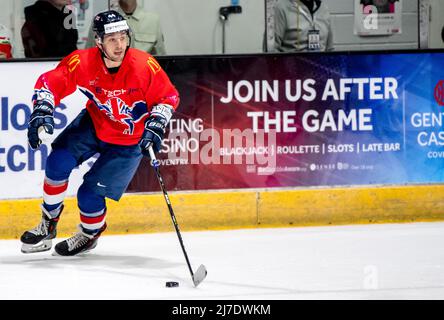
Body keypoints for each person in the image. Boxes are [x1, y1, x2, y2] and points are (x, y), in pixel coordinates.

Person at [20, 10, 179, 256]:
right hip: (95, 122)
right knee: (57, 161)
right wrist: (43, 107)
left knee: (89, 194)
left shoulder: (144, 66)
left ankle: (89, 234)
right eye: (112, 38)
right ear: (99, 41)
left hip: (129, 141)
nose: (119, 44)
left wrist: (157, 123)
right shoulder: (83, 62)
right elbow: (51, 81)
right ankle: (48, 222)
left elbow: (168, 97)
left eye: (123, 37)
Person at [86, 0, 166, 55]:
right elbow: (89, 57)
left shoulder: (152, 20)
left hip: (141, 77)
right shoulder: (100, 19)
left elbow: (161, 61)